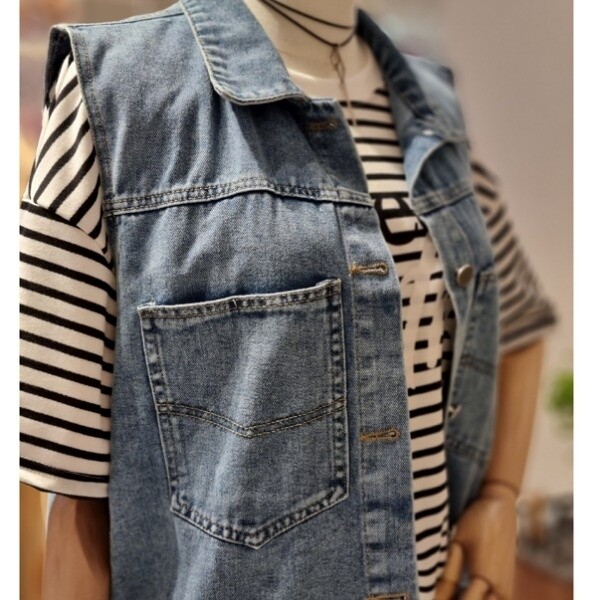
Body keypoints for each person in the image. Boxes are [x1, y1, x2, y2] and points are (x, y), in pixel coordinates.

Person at [19, 1, 558, 598]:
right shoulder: (116, 91)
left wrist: (499, 498)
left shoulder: (429, 105)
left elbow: (517, 317)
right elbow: (71, 486)